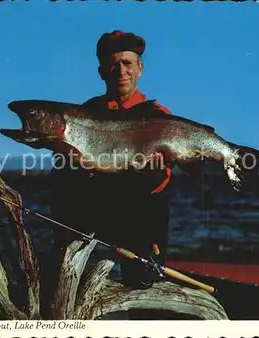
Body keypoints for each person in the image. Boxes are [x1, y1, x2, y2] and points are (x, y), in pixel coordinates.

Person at [49, 30, 173, 292]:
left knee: (143, 288)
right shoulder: (84, 113)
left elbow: (162, 179)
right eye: (113, 64)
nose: (121, 71)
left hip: (141, 218)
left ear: (140, 68)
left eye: (127, 63)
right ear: (101, 71)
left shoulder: (159, 116)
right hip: (95, 213)